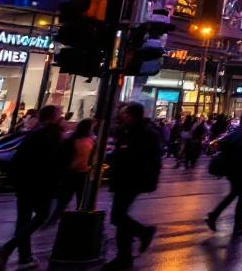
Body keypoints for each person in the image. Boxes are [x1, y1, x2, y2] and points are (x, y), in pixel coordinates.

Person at [0, 105, 66, 271]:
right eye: (59, 115)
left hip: (24, 182)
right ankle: (5, 251)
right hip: (40, 184)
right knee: (41, 216)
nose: (62, 117)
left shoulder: (35, 133)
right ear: (52, 118)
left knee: (23, 220)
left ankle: (24, 258)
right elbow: (53, 162)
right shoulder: (50, 135)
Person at [103, 103, 163, 270]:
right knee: (120, 217)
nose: (122, 115)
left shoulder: (143, 133)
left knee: (118, 215)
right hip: (125, 179)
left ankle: (142, 233)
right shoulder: (128, 130)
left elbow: (144, 159)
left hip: (131, 179)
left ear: (131, 115)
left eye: (125, 113)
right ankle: (124, 256)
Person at [207, 112, 242, 234]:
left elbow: (219, 145)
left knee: (234, 193)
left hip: (229, 168)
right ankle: (237, 225)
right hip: (239, 169)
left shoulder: (234, 132)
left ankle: (214, 216)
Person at [55, 118, 97, 215]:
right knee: (74, 197)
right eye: (92, 127)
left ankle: (57, 216)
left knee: (68, 198)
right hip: (78, 171)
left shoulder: (74, 139)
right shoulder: (86, 141)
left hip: (77, 171)